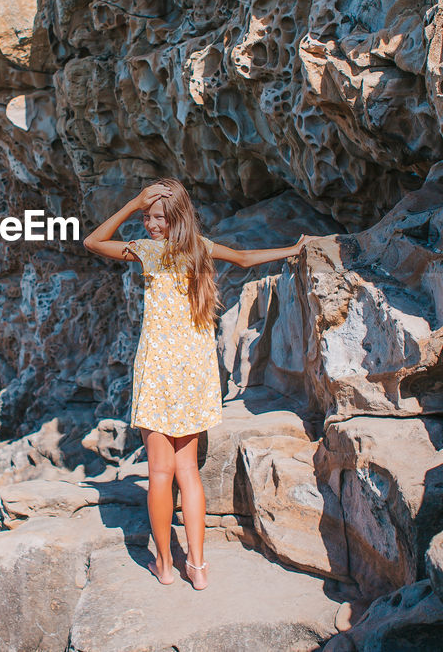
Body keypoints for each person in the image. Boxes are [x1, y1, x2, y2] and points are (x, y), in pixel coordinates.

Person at [82, 177, 311, 590]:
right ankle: (199, 568)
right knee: (187, 471)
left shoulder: (149, 253)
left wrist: (132, 203)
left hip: (157, 371)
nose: (150, 225)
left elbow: (94, 242)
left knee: (159, 473)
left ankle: (166, 565)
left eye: (157, 218)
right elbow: (243, 259)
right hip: (194, 372)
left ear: (175, 219)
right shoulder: (200, 249)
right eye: (147, 217)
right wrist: (291, 250)